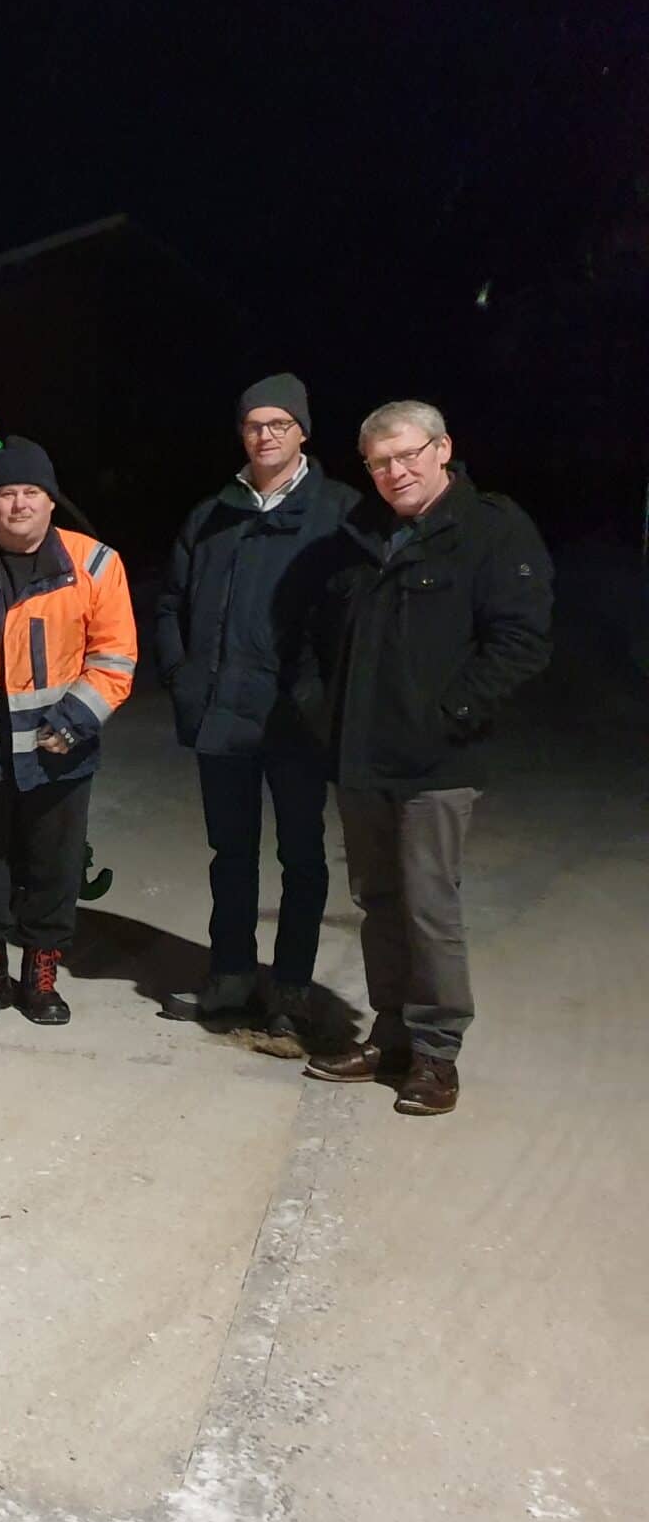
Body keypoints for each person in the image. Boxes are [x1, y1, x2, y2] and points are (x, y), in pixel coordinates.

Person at [296, 401, 551, 1116]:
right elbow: (319, 634)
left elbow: (522, 641)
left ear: (443, 450)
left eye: (408, 455)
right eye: (380, 462)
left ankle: (437, 1055)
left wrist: (450, 716)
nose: (395, 471)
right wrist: (325, 711)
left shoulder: (490, 530)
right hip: (360, 756)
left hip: (436, 763)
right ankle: (392, 1031)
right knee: (377, 902)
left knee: (430, 906)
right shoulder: (361, 533)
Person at [152, 374, 361, 1053]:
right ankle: (233, 973)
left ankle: (291, 989)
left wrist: (326, 700)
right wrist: (183, 677)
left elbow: (359, 618)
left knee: (302, 857)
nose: (265, 436)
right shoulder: (213, 515)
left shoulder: (339, 512)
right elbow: (169, 604)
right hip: (223, 716)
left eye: (278, 424)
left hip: (295, 722)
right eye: (253, 425)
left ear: (302, 431)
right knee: (230, 855)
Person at [0, 438, 136, 1024]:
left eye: (31, 492)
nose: (19, 504)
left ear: (51, 502)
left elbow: (115, 657)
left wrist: (72, 722)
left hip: (59, 753)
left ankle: (41, 974)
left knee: (54, 865)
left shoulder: (95, 564)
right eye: (6, 493)